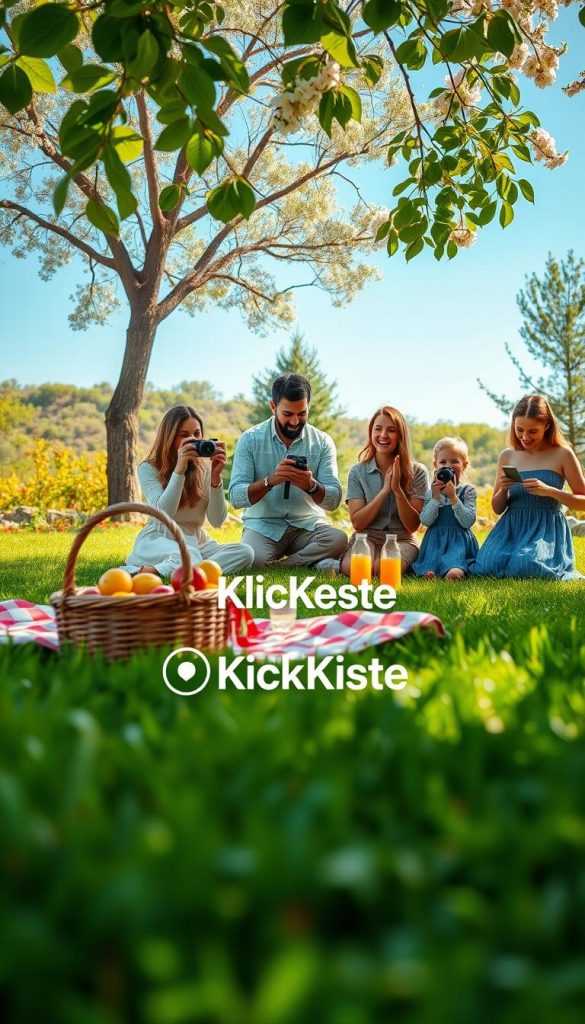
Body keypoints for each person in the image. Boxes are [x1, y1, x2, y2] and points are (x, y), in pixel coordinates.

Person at [228, 373, 347, 568]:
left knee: (339, 539)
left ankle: (286, 565)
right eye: (288, 414)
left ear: (308, 406)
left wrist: (311, 486)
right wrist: (270, 481)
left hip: (307, 525)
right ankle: (315, 562)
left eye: (302, 414)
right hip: (263, 526)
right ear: (273, 407)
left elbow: (333, 500)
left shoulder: (323, 442)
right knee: (252, 558)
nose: (294, 422)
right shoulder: (250, 439)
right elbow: (235, 497)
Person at [123, 404, 254, 579]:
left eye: (197, 434)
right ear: (169, 437)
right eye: (184, 435)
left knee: (245, 552)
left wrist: (215, 477)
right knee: (189, 555)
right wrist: (180, 469)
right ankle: (149, 571)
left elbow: (216, 520)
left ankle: (187, 571)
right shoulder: (148, 468)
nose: (192, 440)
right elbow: (163, 514)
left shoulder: (205, 467)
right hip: (159, 538)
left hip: (195, 540)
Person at [473, 394, 585, 580]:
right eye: (520, 430)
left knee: (527, 566)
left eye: (533, 431)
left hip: (545, 527)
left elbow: (582, 502)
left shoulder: (563, 454)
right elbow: (497, 507)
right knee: (486, 565)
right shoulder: (507, 455)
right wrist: (504, 489)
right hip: (511, 527)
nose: (525, 437)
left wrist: (550, 491)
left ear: (547, 425)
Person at [324, 405, 429, 576]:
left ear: (400, 435)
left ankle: (378, 561)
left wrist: (397, 490)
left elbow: (412, 526)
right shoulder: (358, 472)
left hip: (402, 539)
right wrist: (384, 491)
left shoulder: (417, 472)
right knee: (356, 569)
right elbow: (358, 523)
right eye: (378, 429)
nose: (383, 435)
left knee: (383, 570)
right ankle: (334, 564)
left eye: (391, 430)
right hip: (366, 537)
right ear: (371, 433)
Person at [412, 435, 479, 580]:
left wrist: (454, 498)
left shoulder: (468, 491)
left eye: (454, 461)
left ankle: (453, 571)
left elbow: (467, 522)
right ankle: (433, 572)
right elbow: (426, 521)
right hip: (435, 544)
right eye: (443, 462)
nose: (448, 465)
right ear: (435, 465)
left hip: (458, 544)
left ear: (464, 465)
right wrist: (436, 498)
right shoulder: (431, 493)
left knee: (454, 573)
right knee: (429, 568)